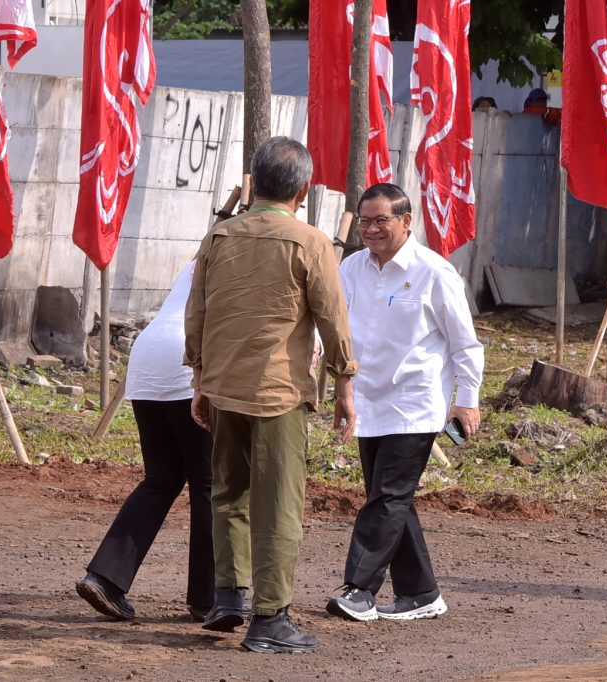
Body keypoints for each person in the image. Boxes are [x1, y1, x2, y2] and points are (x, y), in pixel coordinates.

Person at [184, 136, 358, 653]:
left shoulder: (217, 237)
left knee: (228, 493)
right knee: (280, 505)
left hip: (223, 387)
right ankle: (270, 618)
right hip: (278, 391)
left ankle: (229, 596)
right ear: (303, 189)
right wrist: (345, 385)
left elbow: (198, 314)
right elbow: (332, 320)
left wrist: (199, 379)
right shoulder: (310, 241)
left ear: (254, 183)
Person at [327, 182, 484, 622]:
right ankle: (421, 592)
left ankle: (359, 590)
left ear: (406, 222)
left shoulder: (434, 272)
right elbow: (336, 328)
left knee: (388, 496)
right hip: (366, 401)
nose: (371, 229)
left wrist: (466, 400)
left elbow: (465, 345)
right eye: (365, 221)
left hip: (415, 402)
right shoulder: (352, 268)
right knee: (391, 497)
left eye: (382, 220)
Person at [76, 262, 214, 622]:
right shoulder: (247, 256)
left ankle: (105, 578)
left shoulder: (198, 258)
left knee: (162, 478)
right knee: (210, 483)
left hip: (149, 360)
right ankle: (208, 597)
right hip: (187, 365)